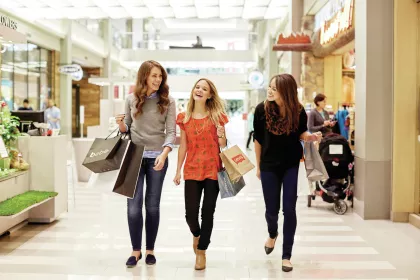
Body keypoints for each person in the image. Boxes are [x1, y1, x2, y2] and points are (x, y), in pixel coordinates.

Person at [253, 74, 321, 272]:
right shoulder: (261, 110)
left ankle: (286, 255)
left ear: (286, 90)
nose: (270, 90)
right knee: (271, 211)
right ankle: (272, 233)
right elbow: (258, 139)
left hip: (291, 164)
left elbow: (301, 132)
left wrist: (310, 136)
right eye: (270, 87)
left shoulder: (298, 111)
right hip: (268, 166)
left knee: (289, 209)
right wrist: (258, 166)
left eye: (275, 88)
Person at [115, 60, 176, 268]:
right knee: (133, 208)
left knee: (152, 206)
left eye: (160, 76)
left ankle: (150, 250)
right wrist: (121, 123)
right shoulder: (131, 99)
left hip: (157, 158)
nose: (158, 80)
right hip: (133, 157)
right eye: (154, 76)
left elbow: (171, 132)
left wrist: (165, 153)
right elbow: (127, 130)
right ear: (144, 77)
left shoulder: (168, 102)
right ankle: (135, 250)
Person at [173, 78, 228, 271]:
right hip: (192, 169)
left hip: (213, 169)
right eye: (197, 87)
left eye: (204, 89)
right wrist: (178, 170)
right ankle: (197, 235)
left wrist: (221, 134)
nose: (199, 90)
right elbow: (183, 146)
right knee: (190, 214)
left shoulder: (217, 116)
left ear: (210, 95)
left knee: (208, 213)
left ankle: (202, 251)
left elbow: (223, 145)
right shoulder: (184, 117)